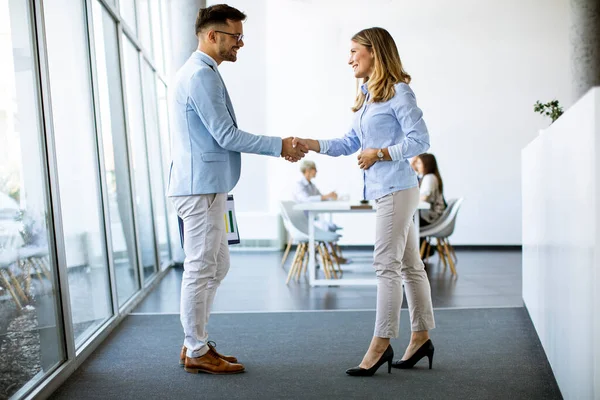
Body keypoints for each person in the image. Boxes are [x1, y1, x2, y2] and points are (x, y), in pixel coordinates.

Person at [167, 4, 307, 375]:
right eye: (235, 37)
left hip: (209, 186)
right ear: (212, 35)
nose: (240, 44)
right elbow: (226, 134)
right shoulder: (200, 75)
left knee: (217, 263)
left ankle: (194, 341)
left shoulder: (203, 72)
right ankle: (196, 348)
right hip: (199, 188)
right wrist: (281, 145)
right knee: (200, 267)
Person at [294, 27, 435, 376]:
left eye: (355, 51)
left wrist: (382, 153)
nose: (349, 58)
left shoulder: (400, 92)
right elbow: (348, 143)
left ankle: (381, 344)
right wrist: (311, 143)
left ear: (375, 52)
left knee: (385, 265)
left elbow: (421, 140)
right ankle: (420, 337)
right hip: (387, 189)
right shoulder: (368, 96)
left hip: (396, 188)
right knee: (410, 266)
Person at [415, 153, 446, 227]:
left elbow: (424, 198)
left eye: (419, 163)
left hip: (430, 216)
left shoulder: (429, 178)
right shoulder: (430, 177)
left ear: (426, 164)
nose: (416, 166)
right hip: (430, 214)